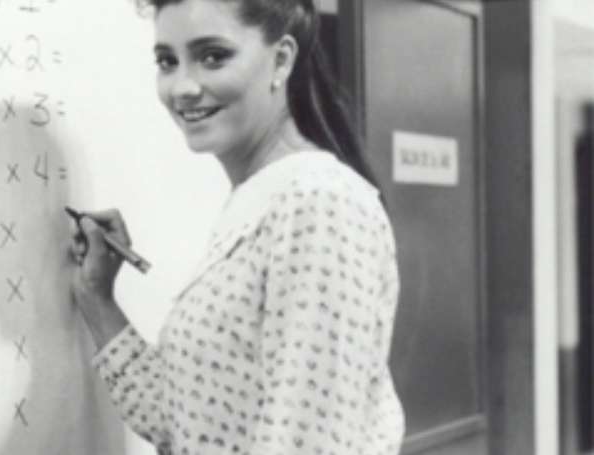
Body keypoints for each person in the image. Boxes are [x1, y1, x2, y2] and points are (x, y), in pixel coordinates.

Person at [68, 0, 405, 453]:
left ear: (281, 60)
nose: (183, 87)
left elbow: (307, 444)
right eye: (167, 61)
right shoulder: (260, 199)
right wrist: (97, 298)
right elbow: (185, 423)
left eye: (213, 56)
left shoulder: (319, 202)